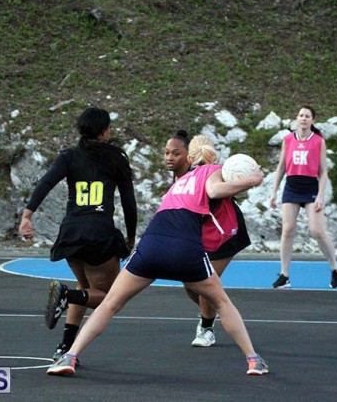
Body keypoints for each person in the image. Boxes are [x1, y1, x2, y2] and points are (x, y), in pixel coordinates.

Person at [46, 135, 269, 376]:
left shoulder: (180, 182)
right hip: (185, 248)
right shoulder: (212, 170)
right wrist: (252, 181)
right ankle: (253, 360)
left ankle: (69, 357)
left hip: (152, 244)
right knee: (223, 304)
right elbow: (215, 191)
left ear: (190, 157)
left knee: (110, 304)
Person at [18, 107, 137, 361]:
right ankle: (66, 296)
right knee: (109, 297)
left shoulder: (69, 156)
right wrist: (130, 236)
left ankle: (65, 348)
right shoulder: (115, 158)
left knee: (85, 287)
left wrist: (27, 216)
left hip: (71, 232)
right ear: (104, 131)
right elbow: (129, 201)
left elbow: (46, 183)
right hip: (98, 233)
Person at [165, 129, 252, 347]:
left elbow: (216, 191)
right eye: (167, 153)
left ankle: (206, 328)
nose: (170, 158)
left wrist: (250, 180)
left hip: (225, 232)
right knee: (190, 285)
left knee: (204, 280)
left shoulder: (212, 172)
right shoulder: (179, 177)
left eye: (175, 153)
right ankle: (217, 308)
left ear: (188, 156)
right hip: (200, 233)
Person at [269, 105, 337, 289]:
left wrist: (320, 196)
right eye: (301, 115)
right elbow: (281, 167)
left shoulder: (318, 141)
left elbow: (323, 171)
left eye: (307, 116)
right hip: (292, 186)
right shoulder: (288, 140)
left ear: (312, 120)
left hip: (310, 187)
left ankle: (335, 268)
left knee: (317, 230)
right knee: (287, 230)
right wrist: (274, 192)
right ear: (296, 118)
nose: (303, 118)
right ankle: (284, 275)